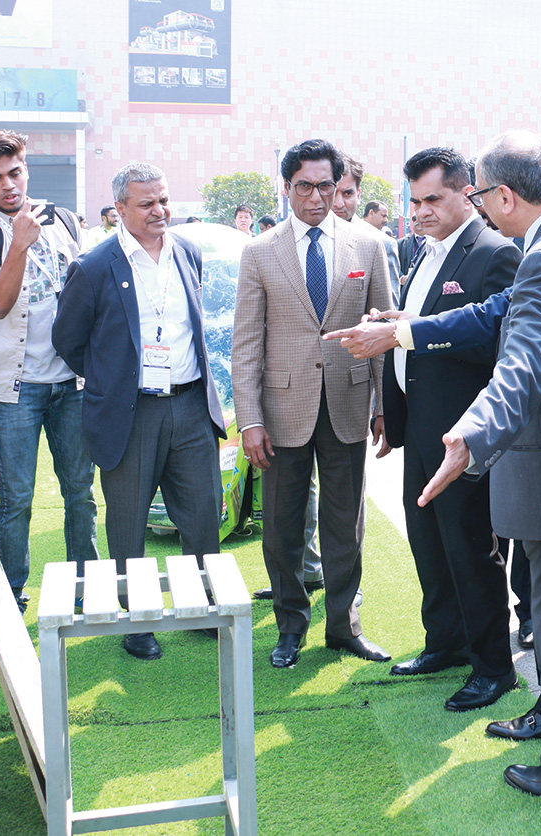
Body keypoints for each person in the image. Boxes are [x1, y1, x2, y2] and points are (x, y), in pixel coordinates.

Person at [330, 130, 541, 796]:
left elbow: (508, 349)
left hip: (512, 446)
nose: (420, 213)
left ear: (492, 195)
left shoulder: (523, 251)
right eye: (411, 202)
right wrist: (402, 332)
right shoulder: (441, 251)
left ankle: (521, 698)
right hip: (440, 431)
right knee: (446, 551)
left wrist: (473, 433)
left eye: (444, 196)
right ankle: (477, 664)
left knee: (513, 579)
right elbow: (473, 320)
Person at [51, 163, 226, 661]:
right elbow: (68, 340)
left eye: (164, 200)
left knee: (201, 515)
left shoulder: (187, 251)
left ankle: (200, 608)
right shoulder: (95, 265)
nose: (159, 211)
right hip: (130, 413)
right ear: (120, 209)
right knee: (127, 521)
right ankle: (137, 620)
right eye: (146, 203)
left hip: (191, 403)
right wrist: (115, 379)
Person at [232, 139, 393, 669]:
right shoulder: (260, 251)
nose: (317, 197)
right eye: (305, 186)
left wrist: (383, 404)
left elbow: (383, 329)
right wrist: (250, 420)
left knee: (345, 523)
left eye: (327, 185)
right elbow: (247, 342)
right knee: (280, 527)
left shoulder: (367, 245)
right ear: (286, 188)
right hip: (281, 411)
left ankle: (344, 627)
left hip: (348, 405)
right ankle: (289, 626)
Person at [381, 147, 519, 711]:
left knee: (470, 547)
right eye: (413, 201)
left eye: (432, 199)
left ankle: (494, 666)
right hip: (419, 427)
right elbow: (407, 334)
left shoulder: (495, 254)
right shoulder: (419, 253)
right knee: (428, 542)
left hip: (465, 433)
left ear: (468, 193)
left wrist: (417, 328)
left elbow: (495, 341)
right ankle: (446, 641)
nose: (420, 212)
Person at [0, 130, 98, 610]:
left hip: (73, 380)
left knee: (80, 491)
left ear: (26, 168)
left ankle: (88, 585)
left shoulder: (61, 219)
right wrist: (17, 244)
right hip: (16, 386)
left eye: (14, 173)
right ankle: (11, 592)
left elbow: (87, 292)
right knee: (16, 497)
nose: (8, 186)